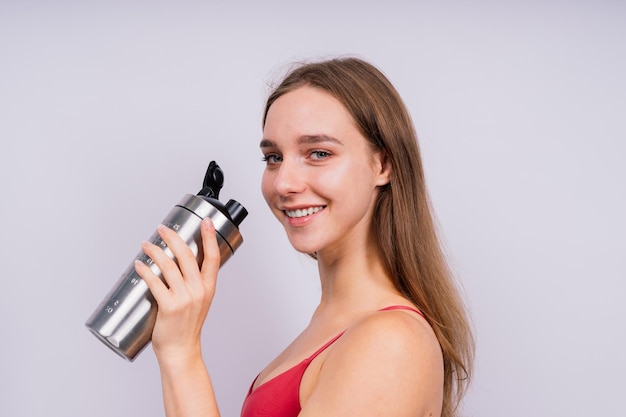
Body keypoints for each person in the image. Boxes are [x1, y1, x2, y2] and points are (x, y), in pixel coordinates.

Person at [135, 56, 474, 417]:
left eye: (318, 153)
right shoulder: (333, 323)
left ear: (383, 165)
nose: (283, 183)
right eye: (274, 157)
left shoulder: (391, 342)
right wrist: (175, 350)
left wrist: (182, 354)